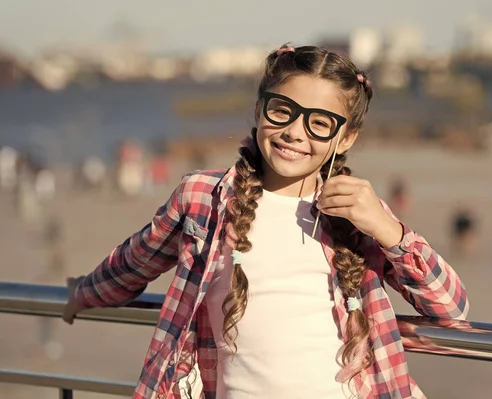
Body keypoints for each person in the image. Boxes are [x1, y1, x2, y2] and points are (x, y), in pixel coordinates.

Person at [62, 45, 468, 399]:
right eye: (282, 111)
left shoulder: (359, 209)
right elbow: (134, 263)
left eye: (320, 123)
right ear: (259, 110)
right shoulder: (204, 198)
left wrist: (389, 231)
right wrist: (82, 292)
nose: (295, 132)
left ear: (345, 138)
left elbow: (451, 307)